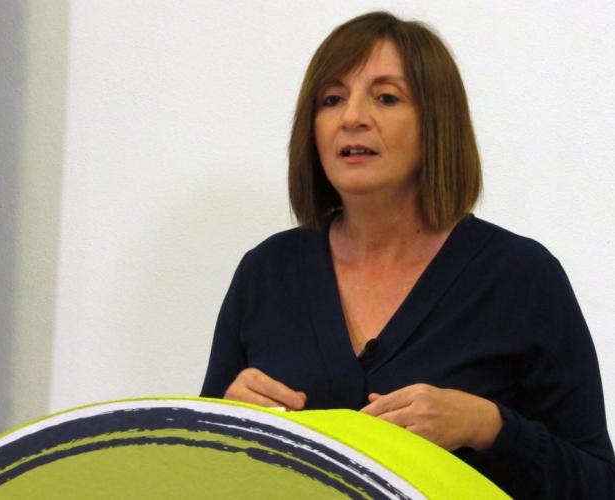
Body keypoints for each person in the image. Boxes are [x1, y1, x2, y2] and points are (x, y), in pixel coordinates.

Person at [200, 11, 615, 498]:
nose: (352, 118)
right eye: (331, 99)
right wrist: (226, 425)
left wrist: (489, 427)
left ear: (436, 123)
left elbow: (598, 484)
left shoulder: (522, 278)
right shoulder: (266, 272)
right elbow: (197, 472)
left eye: (386, 97)